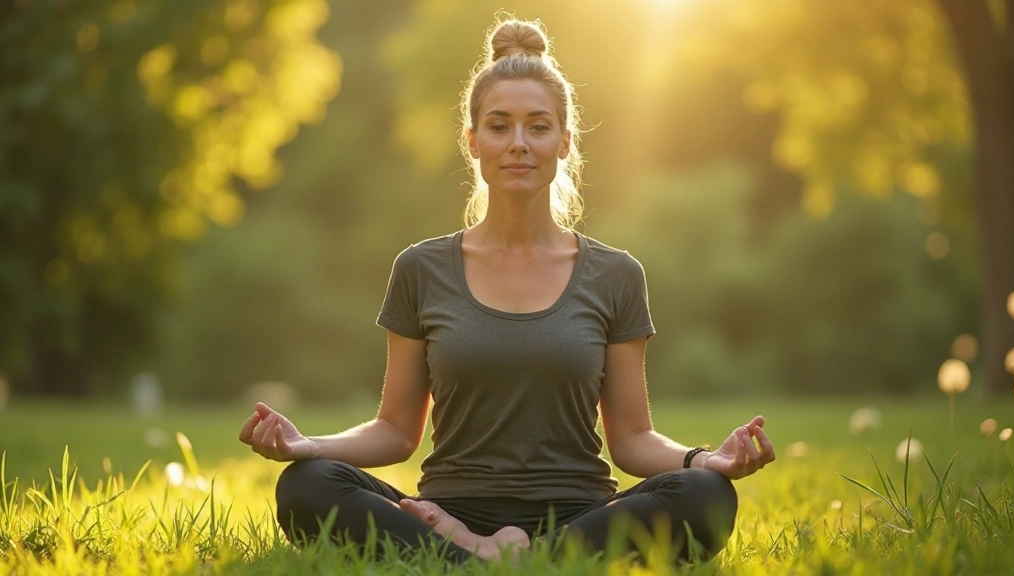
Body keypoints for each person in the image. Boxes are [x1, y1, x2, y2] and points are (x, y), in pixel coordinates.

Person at [239, 17, 775, 563]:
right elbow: (396, 430)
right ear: (473, 141)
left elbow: (634, 439)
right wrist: (309, 446)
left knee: (705, 495)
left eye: (538, 127)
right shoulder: (421, 269)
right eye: (499, 126)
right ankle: (502, 553)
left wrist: (705, 462)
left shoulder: (616, 275)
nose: (518, 144)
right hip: (448, 511)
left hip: (579, 515)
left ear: (564, 142)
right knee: (307, 485)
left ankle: (479, 558)